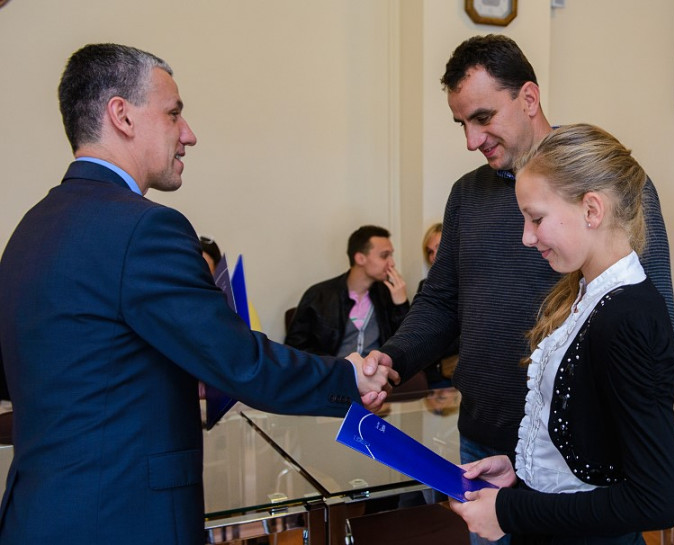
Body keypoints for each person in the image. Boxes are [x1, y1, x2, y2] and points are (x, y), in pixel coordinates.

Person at [0, 43, 395, 545]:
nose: (188, 134)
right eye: (173, 113)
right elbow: (239, 362)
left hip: (38, 515)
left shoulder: (30, 229)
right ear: (121, 115)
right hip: (121, 517)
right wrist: (347, 377)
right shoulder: (145, 229)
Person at [363, 35, 674, 544]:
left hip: (580, 459)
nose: (471, 139)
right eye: (462, 124)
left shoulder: (610, 184)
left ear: (528, 98)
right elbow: (441, 300)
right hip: (487, 443)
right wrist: (393, 359)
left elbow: (651, 317)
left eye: (483, 117)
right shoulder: (467, 194)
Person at [449, 123, 674, 544]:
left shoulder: (628, 317)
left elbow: (656, 500)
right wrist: (522, 476)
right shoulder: (586, 294)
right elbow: (590, 444)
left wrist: (510, 511)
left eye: (536, 219)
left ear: (592, 210)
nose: (527, 237)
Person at [285, 225, 409, 358]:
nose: (392, 263)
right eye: (384, 256)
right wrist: (333, 365)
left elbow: (407, 345)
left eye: (391, 255)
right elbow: (294, 348)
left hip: (376, 369)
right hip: (335, 369)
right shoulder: (319, 295)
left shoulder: (388, 293)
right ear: (360, 258)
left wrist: (401, 305)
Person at [418, 222, 458, 387]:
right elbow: (421, 336)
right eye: (430, 251)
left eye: (439, 247)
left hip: (467, 371)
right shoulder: (426, 286)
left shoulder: (473, 285)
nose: (434, 256)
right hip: (436, 374)